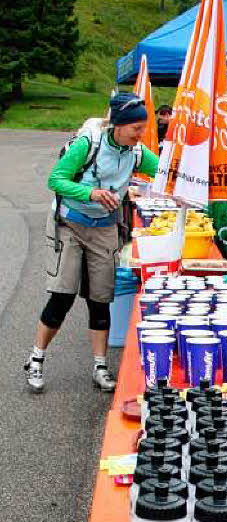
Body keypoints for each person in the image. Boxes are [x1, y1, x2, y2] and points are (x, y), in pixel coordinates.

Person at [25, 93, 160, 393]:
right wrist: (92, 194)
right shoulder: (89, 144)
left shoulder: (136, 152)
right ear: (119, 125)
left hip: (105, 228)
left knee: (101, 299)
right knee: (63, 296)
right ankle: (36, 358)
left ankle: (100, 366)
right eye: (136, 128)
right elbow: (56, 180)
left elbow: (164, 170)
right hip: (70, 224)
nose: (141, 135)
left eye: (143, 128)